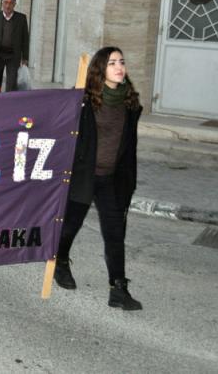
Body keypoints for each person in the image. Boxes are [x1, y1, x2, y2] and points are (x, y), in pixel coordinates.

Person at [54, 47, 143, 311]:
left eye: (122, 62)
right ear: (100, 69)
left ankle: (119, 289)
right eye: (112, 62)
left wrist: (129, 178)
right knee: (71, 225)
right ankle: (60, 261)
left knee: (115, 234)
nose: (119, 67)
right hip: (84, 175)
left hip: (112, 179)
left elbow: (129, 145)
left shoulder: (130, 103)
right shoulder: (85, 100)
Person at [0, 0, 29, 91]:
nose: (8, 6)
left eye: (11, 3)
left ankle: (9, 101)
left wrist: (25, 57)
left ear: (14, 5)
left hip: (13, 55)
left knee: (12, 82)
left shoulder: (21, 18)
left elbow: (25, 38)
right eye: (5, 3)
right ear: (2, 4)